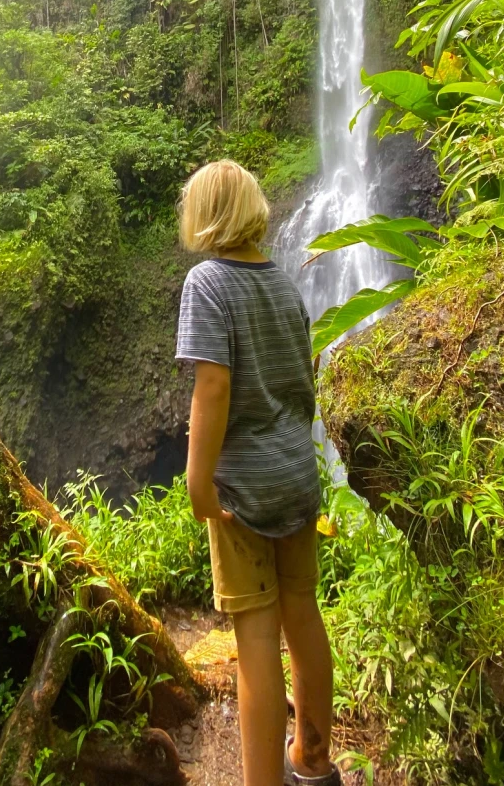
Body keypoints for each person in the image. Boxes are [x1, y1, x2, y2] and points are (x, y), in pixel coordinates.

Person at [175, 159, 341, 786]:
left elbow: (212, 387)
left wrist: (199, 478)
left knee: (255, 642)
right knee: (304, 613)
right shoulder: (282, 283)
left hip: (244, 487)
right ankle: (313, 760)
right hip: (298, 472)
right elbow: (302, 378)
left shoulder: (207, 283)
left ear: (205, 213)